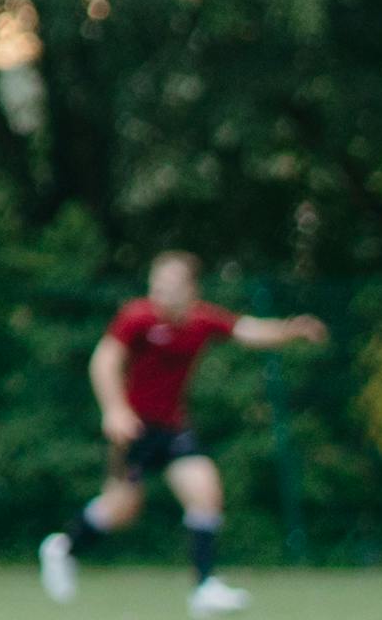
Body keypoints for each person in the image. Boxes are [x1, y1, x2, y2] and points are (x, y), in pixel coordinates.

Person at [50, 251, 319, 612]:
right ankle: (62, 548)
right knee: (123, 509)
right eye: (157, 285)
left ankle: (204, 587)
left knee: (205, 490)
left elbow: (248, 330)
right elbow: (105, 360)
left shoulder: (202, 321)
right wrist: (115, 410)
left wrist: (290, 331)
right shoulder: (137, 317)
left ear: (191, 289)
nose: (162, 293)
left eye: (171, 286)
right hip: (133, 430)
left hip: (173, 428)